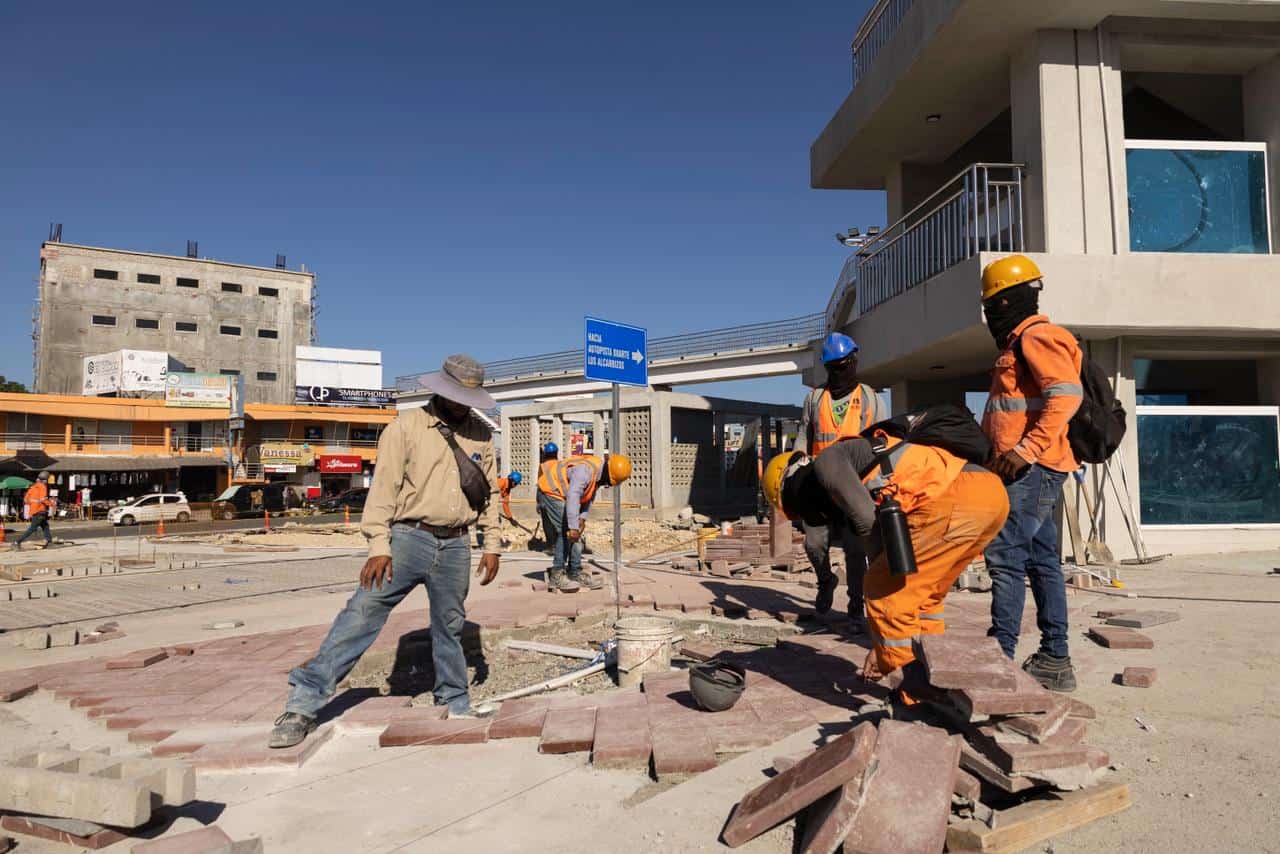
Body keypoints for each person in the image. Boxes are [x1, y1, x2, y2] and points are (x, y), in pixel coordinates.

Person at [270, 354, 502, 748]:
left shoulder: (481, 435)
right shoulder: (405, 428)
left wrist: (492, 543)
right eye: (457, 395)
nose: (463, 403)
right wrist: (379, 546)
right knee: (361, 615)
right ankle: (303, 704)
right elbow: (382, 492)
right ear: (441, 389)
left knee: (450, 625)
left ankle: (455, 699)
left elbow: (490, 493)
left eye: (469, 397)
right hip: (408, 539)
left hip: (457, 545)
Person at [763, 427, 1008, 696]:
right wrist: (882, 643)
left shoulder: (827, 462)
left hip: (953, 497)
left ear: (790, 483)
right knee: (924, 599)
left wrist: (885, 652)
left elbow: (867, 522)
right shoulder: (855, 459)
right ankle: (934, 673)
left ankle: (911, 694)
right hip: (988, 494)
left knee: (884, 589)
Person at [979, 255, 1084, 693]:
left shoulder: (1038, 337)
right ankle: (1055, 658)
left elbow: (1066, 397)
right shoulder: (1020, 342)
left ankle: (999, 661)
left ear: (1007, 301)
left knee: (1005, 559)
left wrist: (1024, 451)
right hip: (1034, 469)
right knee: (1041, 561)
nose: (989, 315)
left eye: (991, 305)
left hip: (1033, 470)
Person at [795, 331, 886, 625]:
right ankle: (825, 580)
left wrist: (878, 487)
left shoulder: (870, 398)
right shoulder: (814, 399)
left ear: (854, 362)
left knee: (855, 549)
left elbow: (883, 444)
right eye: (834, 367)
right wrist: (795, 466)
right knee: (813, 544)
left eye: (845, 365)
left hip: (855, 485)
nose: (840, 372)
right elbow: (802, 441)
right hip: (820, 486)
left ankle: (856, 605)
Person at [536, 452, 632, 592]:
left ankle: (574, 572)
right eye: (610, 482)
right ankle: (557, 576)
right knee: (566, 531)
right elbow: (573, 496)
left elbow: (588, 497)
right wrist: (573, 527)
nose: (608, 485)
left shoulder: (597, 474)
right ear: (608, 474)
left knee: (575, 533)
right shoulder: (584, 472)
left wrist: (582, 518)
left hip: (563, 494)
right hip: (550, 491)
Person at [13, 471, 56, 550]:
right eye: (47, 479)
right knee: (32, 529)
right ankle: (17, 542)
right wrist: (52, 504)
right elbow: (43, 499)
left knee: (45, 526)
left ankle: (49, 542)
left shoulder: (33, 487)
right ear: (45, 480)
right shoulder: (43, 486)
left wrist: (33, 504)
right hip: (40, 510)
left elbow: (26, 500)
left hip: (34, 510)